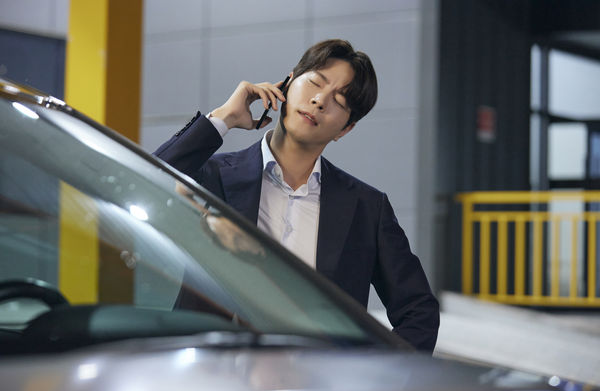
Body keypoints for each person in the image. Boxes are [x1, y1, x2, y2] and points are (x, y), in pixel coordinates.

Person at [154, 39, 439, 353]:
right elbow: (143, 180)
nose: (319, 101)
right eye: (315, 82)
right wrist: (224, 118)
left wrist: (374, 375)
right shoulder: (213, 177)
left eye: (339, 100)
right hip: (210, 370)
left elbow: (419, 312)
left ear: (345, 129)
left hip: (316, 375)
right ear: (287, 84)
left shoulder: (367, 208)